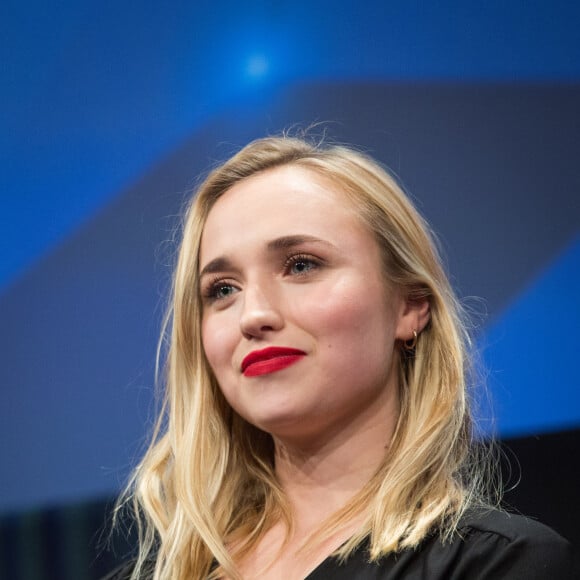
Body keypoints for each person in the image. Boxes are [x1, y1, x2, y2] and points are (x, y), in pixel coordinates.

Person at [105, 135, 574, 579]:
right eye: (223, 290)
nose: (254, 315)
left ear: (409, 306)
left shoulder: (498, 565)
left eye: (302, 265)